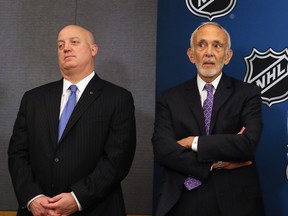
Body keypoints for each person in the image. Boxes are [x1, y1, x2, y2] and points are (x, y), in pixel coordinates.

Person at [8, 25, 136, 216]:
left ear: (93, 50)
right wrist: (32, 197)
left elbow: (117, 159)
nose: (66, 48)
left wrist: (78, 198)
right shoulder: (33, 98)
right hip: (38, 211)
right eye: (60, 45)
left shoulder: (117, 98)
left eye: (74, 42)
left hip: (95, 209)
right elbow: (17, 153)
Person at [152, 22, 265, 216]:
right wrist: (216, 164)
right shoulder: (169, 98)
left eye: (217, 45)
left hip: (236, 200)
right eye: (201, 45)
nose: (209, 52)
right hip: (183, 198)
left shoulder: (248, 94)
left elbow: (247, 144)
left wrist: (193, 142)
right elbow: (163, 151)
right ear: (191, 54)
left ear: (227, 56)